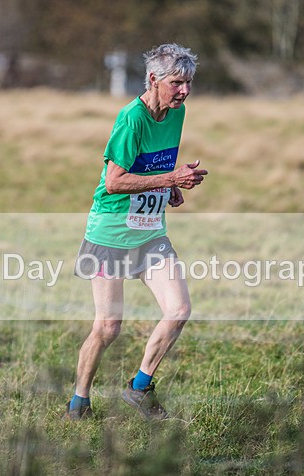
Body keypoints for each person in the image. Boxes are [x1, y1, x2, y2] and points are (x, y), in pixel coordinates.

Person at [66, 43, 208, 421]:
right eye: (177, 83)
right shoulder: (131, 119)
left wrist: (169, 186)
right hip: (110, 234)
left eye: (189, 82)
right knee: (108, 327)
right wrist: (169, 178)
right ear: (153, 79)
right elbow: (114, 181)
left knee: (179, 310)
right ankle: (79, 402)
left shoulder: (176, 113)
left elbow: (154, 166)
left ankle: (139, 387)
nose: (184, 91)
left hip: (150, 234)